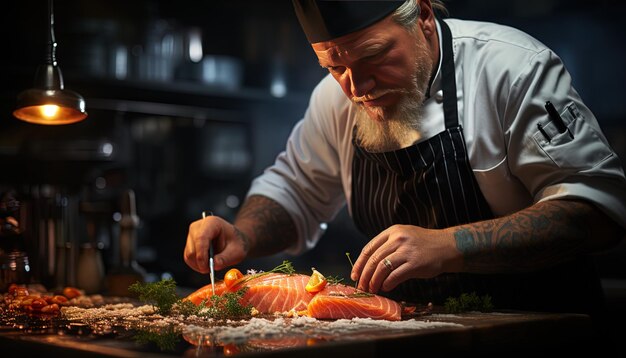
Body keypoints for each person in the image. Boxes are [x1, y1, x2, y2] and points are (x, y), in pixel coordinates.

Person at [184, 0, 626, 320]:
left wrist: (446, 246)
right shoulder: (336, 102)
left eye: (373, 55)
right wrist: (244, 234)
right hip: (417, 336)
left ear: (425, 19)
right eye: (335, 67)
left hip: (539, 335)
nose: (357, 87)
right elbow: (295, 192)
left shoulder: (512, 69)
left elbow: (596, 211)